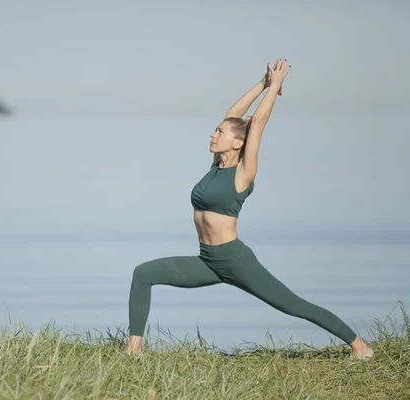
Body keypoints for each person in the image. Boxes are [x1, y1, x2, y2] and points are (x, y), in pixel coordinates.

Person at [125, 58, 374, 360]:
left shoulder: (244, 172)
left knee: (294, 306)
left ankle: (359, 347)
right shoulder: (217, 164)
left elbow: (257, 123)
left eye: (219, 133)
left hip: (235, 260)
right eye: (214, 131)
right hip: (207, 260)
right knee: (143, 273)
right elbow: (234, 115)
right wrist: (262, 83)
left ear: (237, 143)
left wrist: (276, 86)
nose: (213, 134)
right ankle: (133, 351)